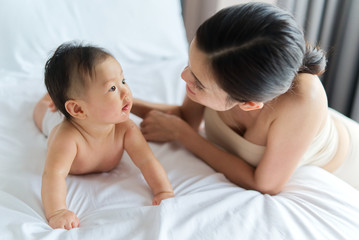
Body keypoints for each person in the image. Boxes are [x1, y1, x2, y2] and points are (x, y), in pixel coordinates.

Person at [131, 2, 359, 194]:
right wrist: (122, 103)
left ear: (249, 104)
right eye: (189, 64)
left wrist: (184, 135)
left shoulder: (303, 100)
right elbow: (185, 118)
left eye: (198, 82)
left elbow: (264, 184)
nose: (183, 76)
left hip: (348, 171)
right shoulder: (219, 61)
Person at [33, 42, 174, 230]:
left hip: (73, 109)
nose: (126, 92)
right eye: (112, 89)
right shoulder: (67, 138)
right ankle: (49, 98)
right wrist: (57, 211)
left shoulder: (126, 129)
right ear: (78, 109)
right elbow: (53, 175)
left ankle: (56, 97)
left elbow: (147, 161)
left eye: (123, 81)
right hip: (55, 120)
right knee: (43, 112)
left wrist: (163, 190)